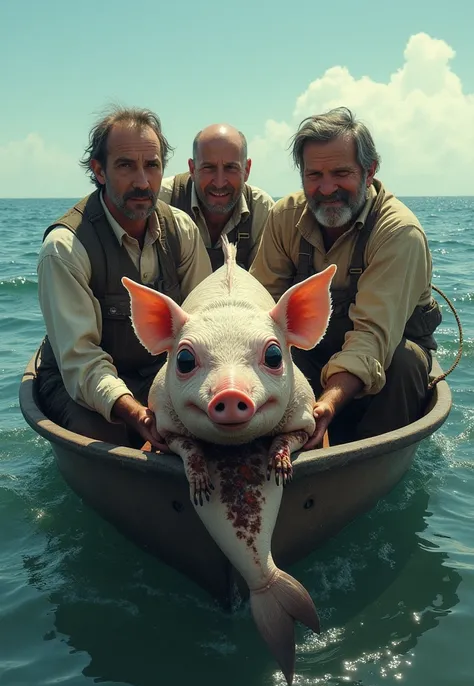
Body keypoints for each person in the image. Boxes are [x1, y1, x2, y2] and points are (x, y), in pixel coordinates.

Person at [250, 107, 442, 448]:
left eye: (341, 173)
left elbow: (372, 337)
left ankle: (366, 456)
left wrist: (327, 405)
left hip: (381, 362)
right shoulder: (285, 217)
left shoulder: (399, 232)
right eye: (314, 175)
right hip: (312, 353)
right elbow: (258, 310)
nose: (327, 188)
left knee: (407, 360)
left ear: (369, 172)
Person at [36, 106, 212, 448]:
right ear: (99, 171)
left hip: (159, 374)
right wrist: (137, 414)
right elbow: (81, 360)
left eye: (152, 165)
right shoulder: (65, 248)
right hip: (79, 381)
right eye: (126, 166)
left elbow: (206, 324)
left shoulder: (181, 230)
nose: (143, 182)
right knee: (107, 437)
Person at [159, 123, 275, 270]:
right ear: (192, 169)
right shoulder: (162, 200)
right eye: (209, 168)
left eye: (230, 168)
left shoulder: (262, 210)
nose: (219, 182)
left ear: (246, 170)